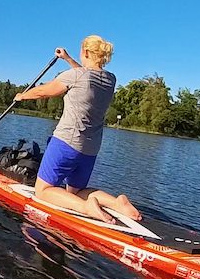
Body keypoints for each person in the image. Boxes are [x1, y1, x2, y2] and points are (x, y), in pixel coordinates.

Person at [13, 35, 141, 223]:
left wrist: (22, 96)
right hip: (91, 148)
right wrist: (67, 58)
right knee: (76, 191)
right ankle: (116, 203)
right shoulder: (110, 79)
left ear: (86, 52)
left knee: (43, 190)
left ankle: (86, 207)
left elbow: (44, 91)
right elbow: (86, 75)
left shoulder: (75, 76)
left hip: (66, 143)